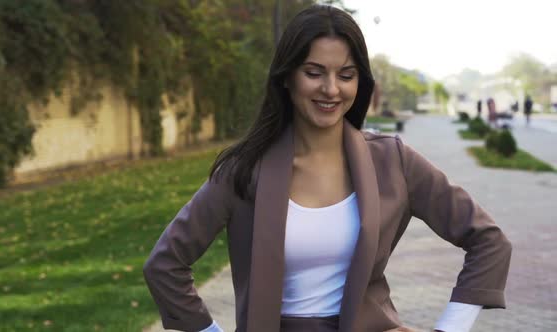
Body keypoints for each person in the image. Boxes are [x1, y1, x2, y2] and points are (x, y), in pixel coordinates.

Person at [143, 5, 511, 332]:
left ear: (359, 82)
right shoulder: (243, 171)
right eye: (314, 72)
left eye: (346, 74)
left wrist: (451, 327)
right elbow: (165, 265)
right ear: (287, 77)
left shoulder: (392, 160)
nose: (331, 89)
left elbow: (488, 240)